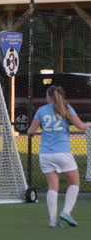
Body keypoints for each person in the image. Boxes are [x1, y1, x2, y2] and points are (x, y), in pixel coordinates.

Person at [27, 85, 91, 228]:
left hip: (45, 155)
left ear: (48, 96)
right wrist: (88, 124)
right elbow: (80, 126)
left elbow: (30, 131)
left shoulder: (41, 110)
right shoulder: (67, 108)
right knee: (74, 183)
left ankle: (52, 220)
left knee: (53, 187)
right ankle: (66, 212)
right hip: (62, 153)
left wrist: (33, 134)